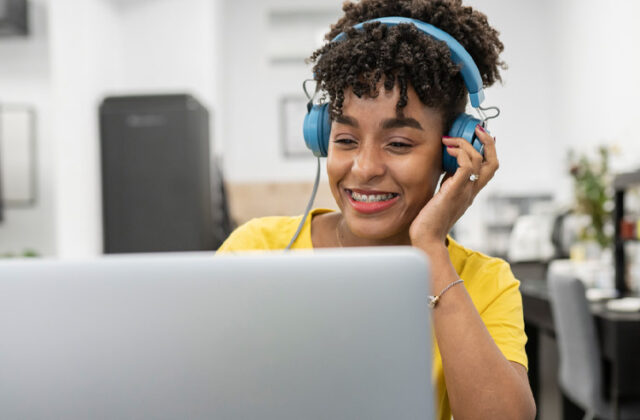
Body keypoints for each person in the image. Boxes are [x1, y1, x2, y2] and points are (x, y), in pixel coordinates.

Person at [218, 0, 536, 418]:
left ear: (454, 154)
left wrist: (429, 246)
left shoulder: (484, 283)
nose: (364, 168)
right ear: (320, 139)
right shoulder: (256, 249)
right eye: (346, 140)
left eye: (399, 144)